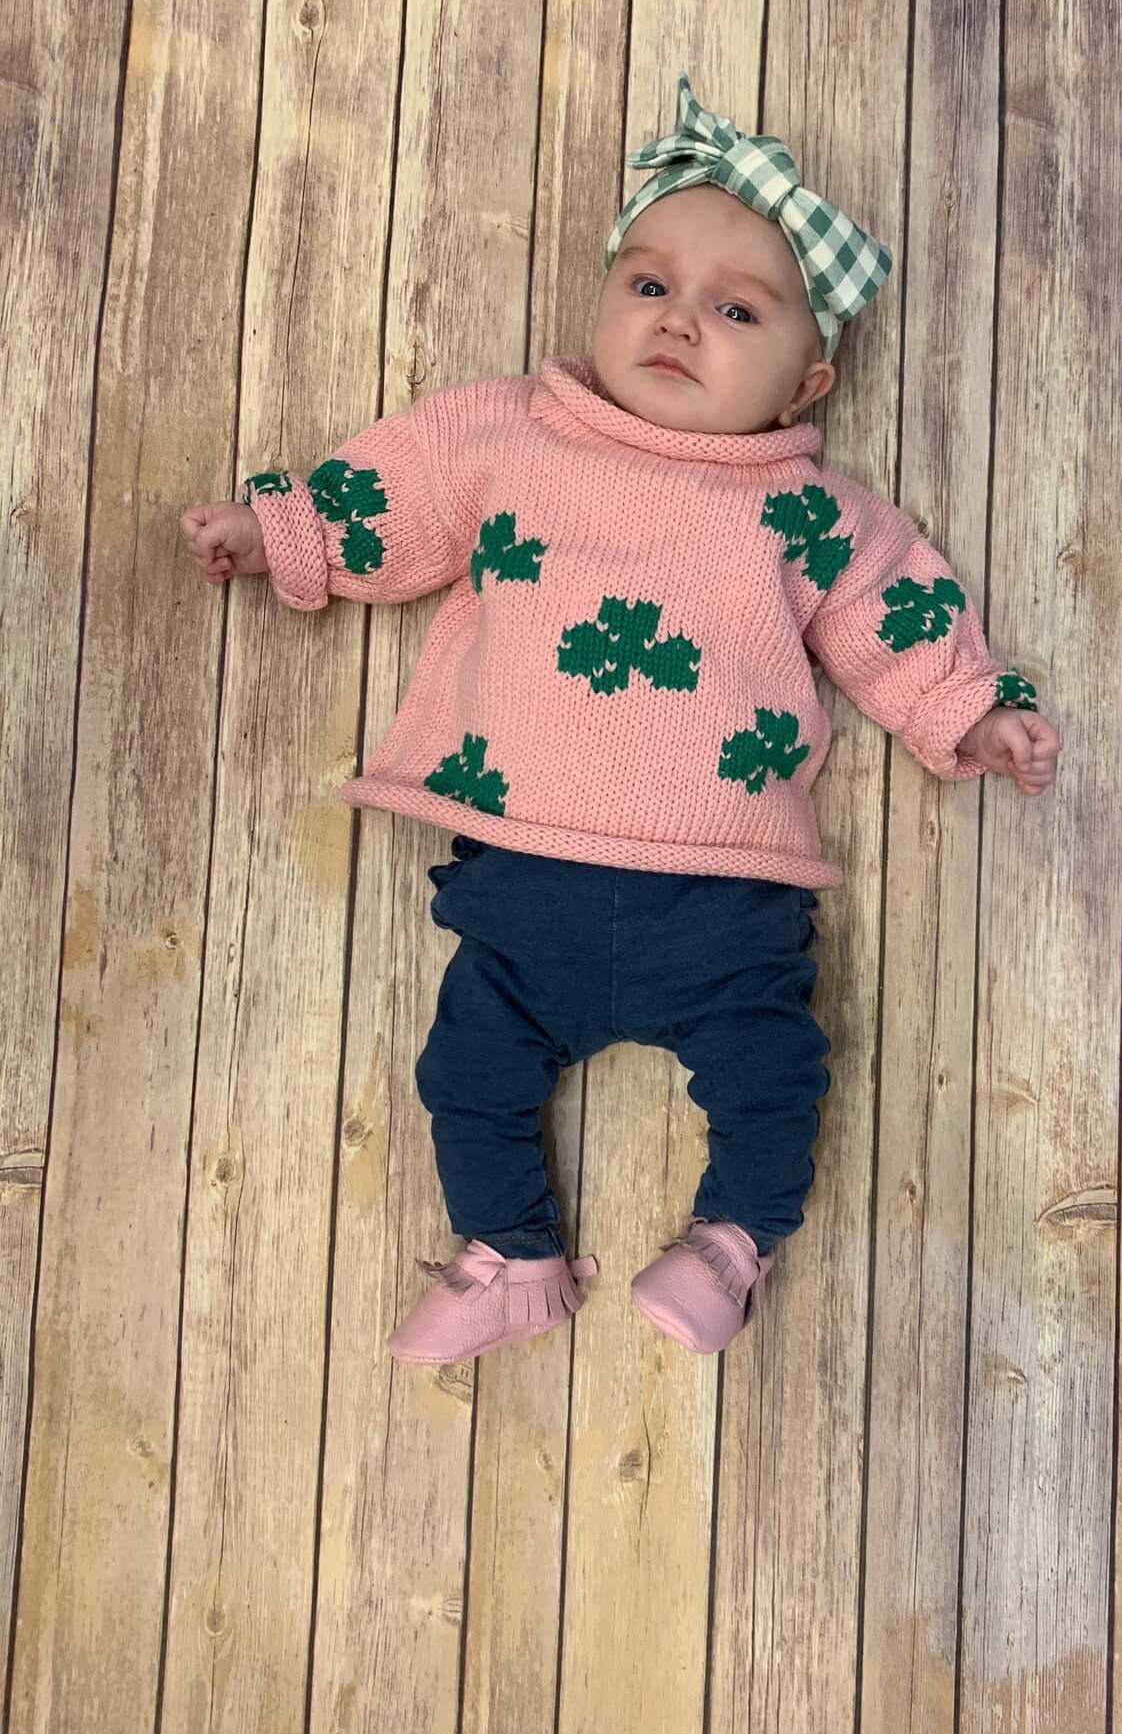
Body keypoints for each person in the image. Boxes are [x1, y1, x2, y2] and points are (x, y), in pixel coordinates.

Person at [180, 74, 1060, 1364]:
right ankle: (509, 1253)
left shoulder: (801, 510)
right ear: (600, 300)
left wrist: (971, 713)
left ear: (805, 382)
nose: (680, 319)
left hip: (721, 891)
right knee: (464, 1074)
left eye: (736, 309)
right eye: (649, 284)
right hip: (520, 878)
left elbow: (894, 612)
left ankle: (733, 1242)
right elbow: (399, 496)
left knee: (775, 1071)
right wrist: (282, 531)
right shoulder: (512, 435)